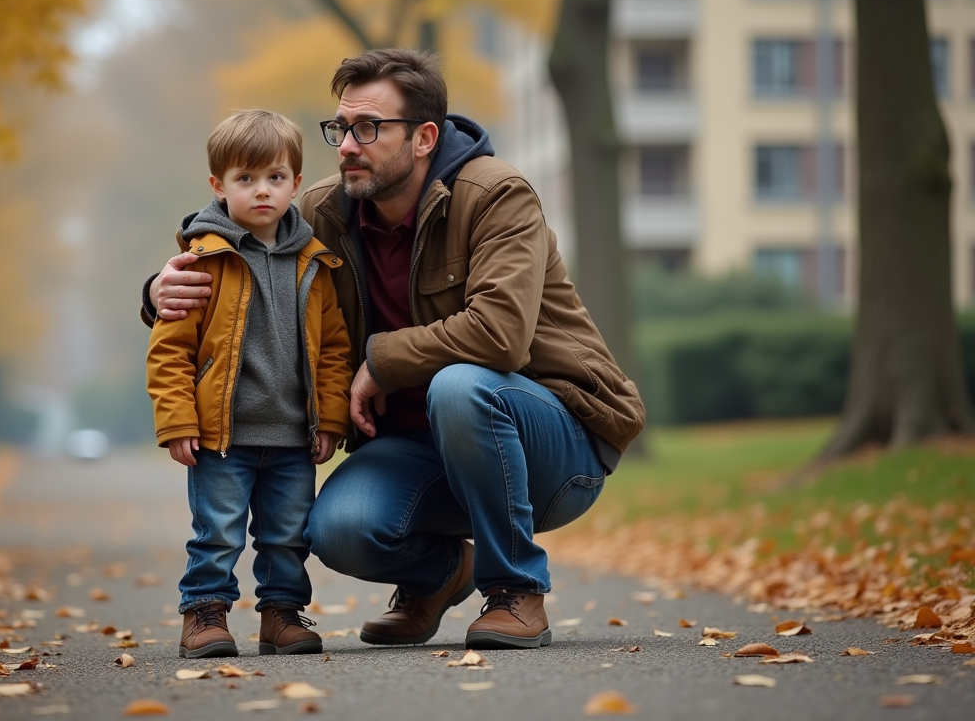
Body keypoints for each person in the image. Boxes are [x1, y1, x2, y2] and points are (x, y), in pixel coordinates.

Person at [142, 50, 645, 650]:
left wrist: (378, 362)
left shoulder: (497, 196)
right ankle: (438, 575)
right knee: (336, 528)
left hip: (555, 445)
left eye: (368, 128)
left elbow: (499, 335)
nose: (347, 145)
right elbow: (233, 233)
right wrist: (157, 291)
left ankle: (516, 591)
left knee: (461, 387)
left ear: (425, 137)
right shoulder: (324, 211)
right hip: (421, 450)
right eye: (340, 129)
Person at [146, 109, 353, 659]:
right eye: (246, 179)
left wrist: (330, 417)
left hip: (292, 436)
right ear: (218, 185)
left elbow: (334, 349)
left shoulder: (315, 263)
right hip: (222, 436)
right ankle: (205, 613)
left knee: (288, 535)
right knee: (217, 532)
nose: (262, 191)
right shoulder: (201, 262)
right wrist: (177, 422)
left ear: (296, 185)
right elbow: (169, 351)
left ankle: (282, 615)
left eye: (275, 178)